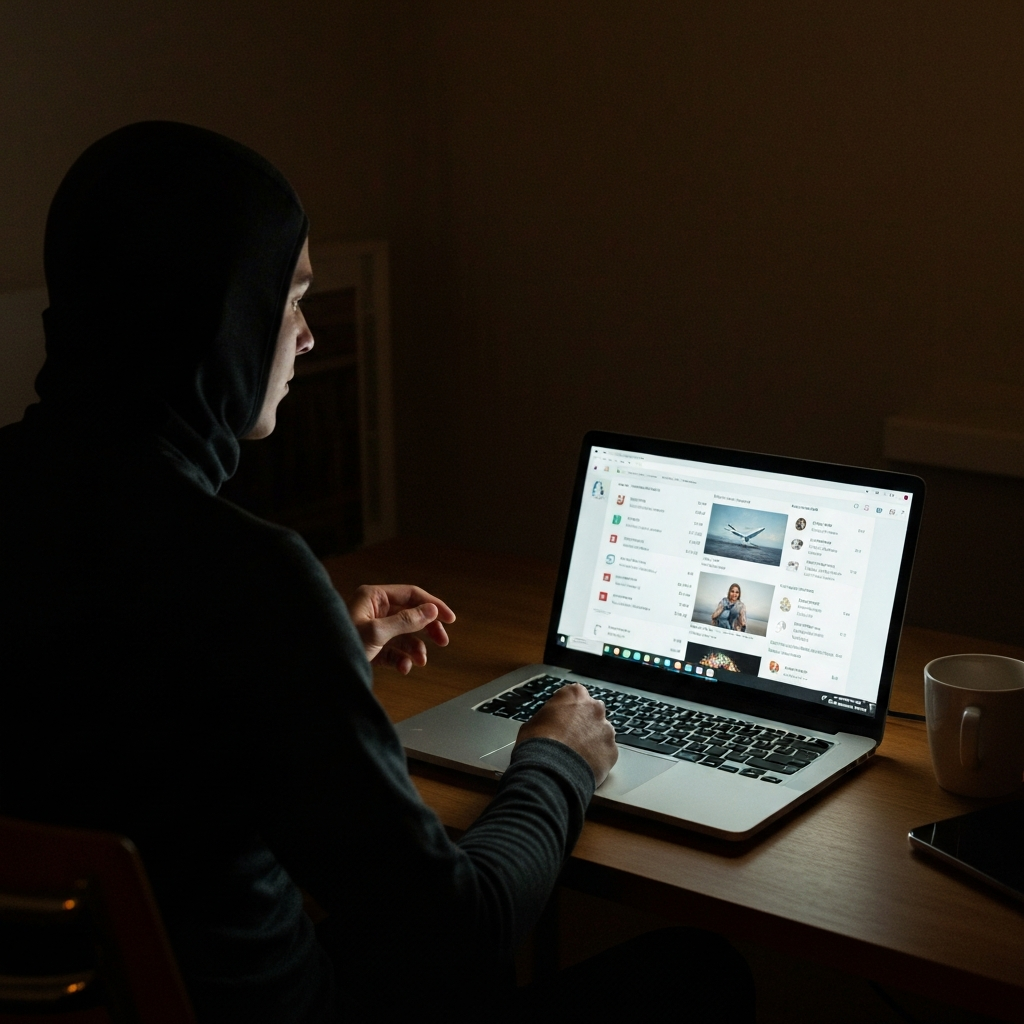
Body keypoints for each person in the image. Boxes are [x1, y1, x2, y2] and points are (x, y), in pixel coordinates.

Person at [0, 122, 752, 1022]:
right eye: (293, 298)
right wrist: (556, 762)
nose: (310, 338)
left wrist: (324, 655)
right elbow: (457, 930)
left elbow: (123, 723)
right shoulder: (245, 579)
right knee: (698, 972)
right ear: (225, 314)